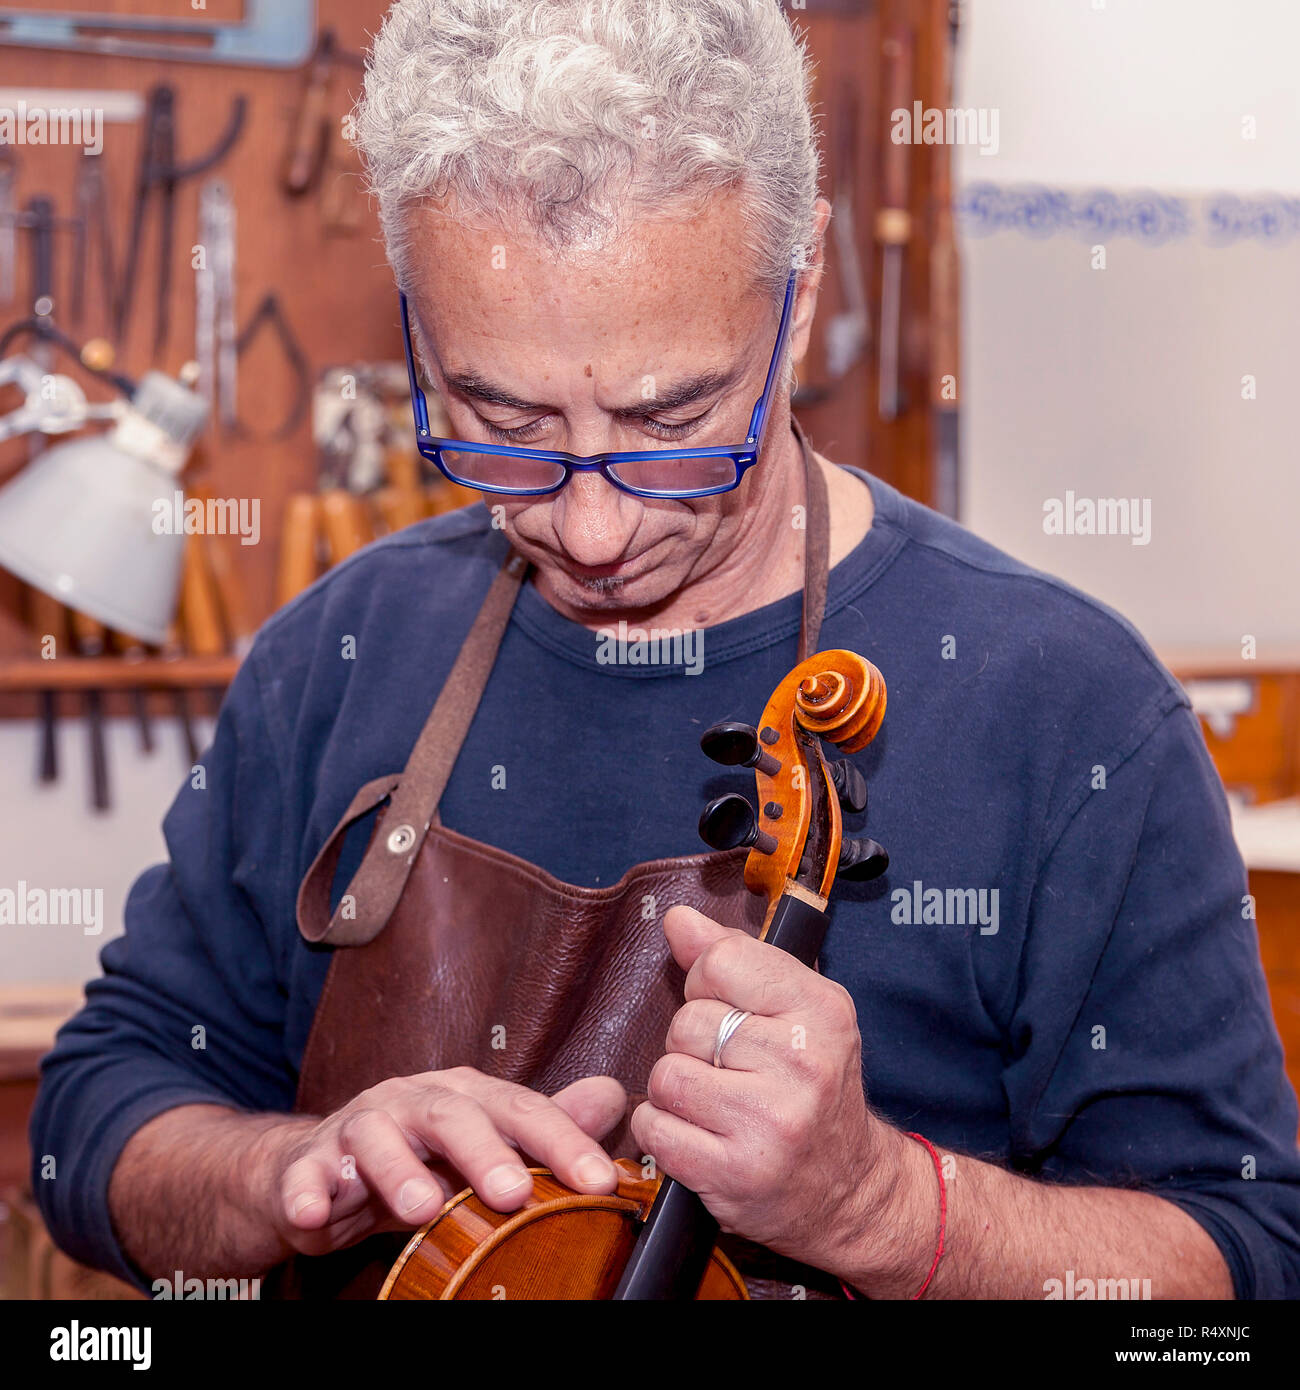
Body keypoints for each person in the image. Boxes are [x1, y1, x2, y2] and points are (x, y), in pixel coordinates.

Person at [32, 0, 1300, 1300]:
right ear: (411, 315)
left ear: (799, 296)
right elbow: (91, 1122)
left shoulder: (1068, 709)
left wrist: (888, 1208)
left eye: (673, 417)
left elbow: (1245, 1264)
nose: (589, 525)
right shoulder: (338, 650)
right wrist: (297, 1174)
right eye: (500, 415)